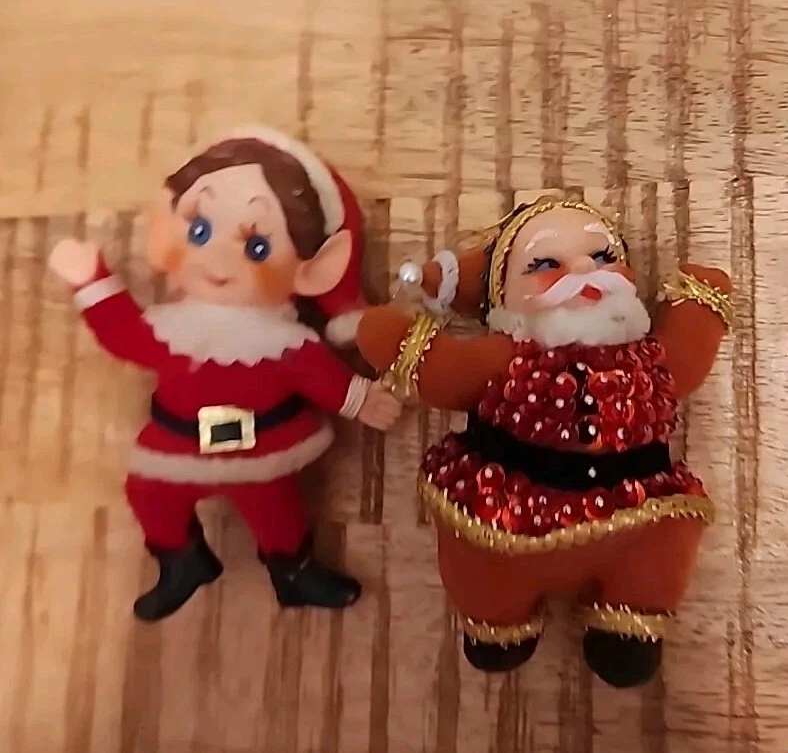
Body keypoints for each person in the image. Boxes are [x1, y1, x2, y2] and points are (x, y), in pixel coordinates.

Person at [356, 194, 732, 688]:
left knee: (654, 565)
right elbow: (437, 368)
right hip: (509, 520)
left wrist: (699, 302)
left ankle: (627, 630)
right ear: (503, 301)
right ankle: (497, 626)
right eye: (546, 264)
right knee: (486, 569)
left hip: (637, 521)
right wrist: (392, 333)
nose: (585, 271)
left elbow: (688, 355)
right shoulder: (501, 360)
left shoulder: (649, 360)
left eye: (603, 257)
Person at [48, 126, 402, 622]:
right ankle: (181, 561)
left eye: (256, 247)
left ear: (313, 269)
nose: (217, 259)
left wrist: (362, 399)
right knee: (149, 494)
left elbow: (323, 378)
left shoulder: (285, 344)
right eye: (199, 230)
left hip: (261, 450)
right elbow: (123, 336)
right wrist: (92, 281)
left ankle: (294, 572)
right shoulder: (171, 329)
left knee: (275, 510)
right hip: (175, 446)